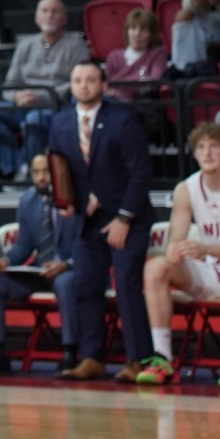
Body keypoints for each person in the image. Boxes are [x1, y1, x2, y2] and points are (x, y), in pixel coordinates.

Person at [136, 122, 220, 387]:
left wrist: (207, 249)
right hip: (208, 267)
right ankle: (163, 357)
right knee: (156, 267)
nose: (206, 153)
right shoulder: (186, 189)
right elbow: (175, 239)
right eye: (201, 147)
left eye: (214, 146)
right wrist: (175, 249)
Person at [50, 61, 154, 380]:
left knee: (126, 285)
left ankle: (139, 359)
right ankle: (92, 356)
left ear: (104, 85)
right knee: (85, 284)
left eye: (91, 80)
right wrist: (65, 201)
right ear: (71, 86)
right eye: (78, 80)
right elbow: (58, 167)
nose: (84, 85)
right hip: (88, 218)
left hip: (127, 217)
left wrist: (124, 217)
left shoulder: (122, 119)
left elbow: (140, 173)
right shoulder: (60, 121)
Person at [0, 154, 80, 376]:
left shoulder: (76, 198)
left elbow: (88, 244)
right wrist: (7, 260)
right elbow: (24, 245)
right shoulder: (28, 201)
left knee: (65, 283)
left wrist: (66, 264)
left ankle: (70, 352)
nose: (41, 178)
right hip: (41, 271)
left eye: (46, 172)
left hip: (72, 269)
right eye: (36, 172)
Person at [0, 0, 87, 179]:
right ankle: (15, 166)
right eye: (44, 11)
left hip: (56, 107)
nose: (49, 15)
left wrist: (42, 96)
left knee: (34, 119)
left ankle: (30, 172)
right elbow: (9, 86)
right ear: (36, 17)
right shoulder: (25, 45)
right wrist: (17, 96)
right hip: (23, 105)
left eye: (55, 11)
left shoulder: (75, 43)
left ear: (64, 18)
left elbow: (79, 81)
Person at [102, 7, 170, 88]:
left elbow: (153, 82)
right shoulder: (113, 57)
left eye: (143, 30)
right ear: (127, 31)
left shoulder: (158, 54)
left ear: (151, 34)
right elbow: (106, 86)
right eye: (133, 28)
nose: (137, 34)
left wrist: (119, 83)